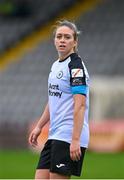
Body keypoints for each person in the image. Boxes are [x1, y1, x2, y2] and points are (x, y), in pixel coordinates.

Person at [29, 20, 90, 179]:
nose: (62, 40)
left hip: (68, 135)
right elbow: (54, 99)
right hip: (54, 135)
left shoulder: (76, 67)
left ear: (75, 42)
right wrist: (39, 126)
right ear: (54, 40)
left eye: (67, 37)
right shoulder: (56, 65)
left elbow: (80, 105)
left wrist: (75, 139)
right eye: (59, 36)